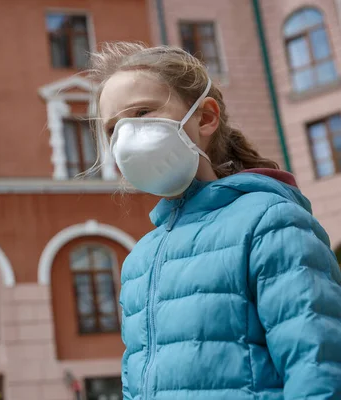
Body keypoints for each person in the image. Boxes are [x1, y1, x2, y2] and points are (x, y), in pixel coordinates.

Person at [88, 42, 341, 399]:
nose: (125, 137)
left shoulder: (271, 222)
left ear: (205, 117)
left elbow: (318, 369)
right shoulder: (138, 261)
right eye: (113, 129)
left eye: (141, 112)